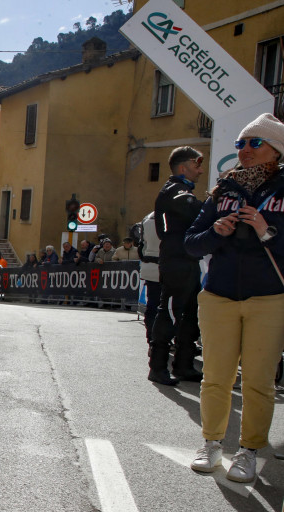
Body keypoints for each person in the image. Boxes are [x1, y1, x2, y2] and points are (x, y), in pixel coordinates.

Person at [185, 113, 284, 482]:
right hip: (218, 295)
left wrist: (265, 229)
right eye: (240, 143)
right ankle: (211, 443)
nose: (244, 150)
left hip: (269, 297)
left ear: (276, 149)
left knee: (259, 381)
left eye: (254, 143)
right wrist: (215, 231)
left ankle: (249, 449)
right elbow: (191, 244)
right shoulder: (224, 189)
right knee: (215, 377)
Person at [148, 146, 205, 386]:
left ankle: (184, 364)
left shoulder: (183, 190)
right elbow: (196, 211)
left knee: (191, 313)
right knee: (170, 311)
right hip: (176, 260)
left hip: (189, 259)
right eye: (197, 164)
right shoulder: (174, 190)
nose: (201, 170)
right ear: (184, 167)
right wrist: (216, 201)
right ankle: (158, 366)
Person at [137, 211, 161, 344]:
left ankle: (151, 337)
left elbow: (141, 247)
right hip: (168, 266)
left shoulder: (147, 218)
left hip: (149, 266)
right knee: (169, 306)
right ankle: (162, 339)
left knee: (152, 303)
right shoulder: (174, 214)